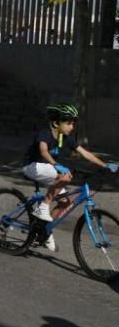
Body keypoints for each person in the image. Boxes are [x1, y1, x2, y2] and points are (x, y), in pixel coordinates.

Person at [22, 103, 118, 252]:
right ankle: (43, 207)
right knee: (65, 176)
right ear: (56, 123)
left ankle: (43, 231)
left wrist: (104, 165)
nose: (72, 126)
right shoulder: (45, 133)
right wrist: (55, 164)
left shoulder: (65, 138)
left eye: (73, 123)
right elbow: (43, 151)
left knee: (65, 202)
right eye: (68, 123)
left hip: (48, 169)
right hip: (33, 167)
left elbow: (86, 154)